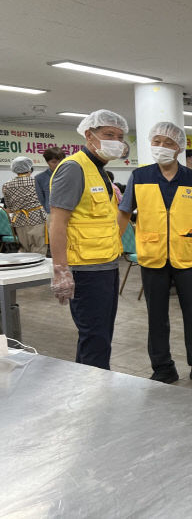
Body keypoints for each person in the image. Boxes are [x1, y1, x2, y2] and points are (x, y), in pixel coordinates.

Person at [117, 122, 192, 384]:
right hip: (152, 256)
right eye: (156, 141)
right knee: (156, 316)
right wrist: (115, 244)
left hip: (189, 256)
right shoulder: (140, 176)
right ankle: (162, 366)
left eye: (168, 143)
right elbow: (124, 212)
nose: (161, 147)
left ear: (179, 147)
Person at [49, 109, 126, 369]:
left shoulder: (99, 170)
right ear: (89, 135)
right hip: (86, 269)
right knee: (95, 338)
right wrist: (61, 270)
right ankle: (96, 398)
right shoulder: (73, 168)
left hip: (106, 263)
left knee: (100, 337)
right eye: (108, 134)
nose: (115, 140)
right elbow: (58, 221)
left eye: (119, 136)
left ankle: (87, 391)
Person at [3, 156, 46, 254]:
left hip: (19, 221)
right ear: (29, 168)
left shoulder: (7, 185)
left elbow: (9, 207)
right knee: (39, 248)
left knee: (24, 250)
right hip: (37, 220)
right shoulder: (37, 182)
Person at [35, 146, 65, 215]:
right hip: (51, 213)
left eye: (61, 161)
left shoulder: (70, 175)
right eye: (53, 162)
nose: (58, 164)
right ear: (47, 162)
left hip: (70, 212)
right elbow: (41, 199)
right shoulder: (40, 178)